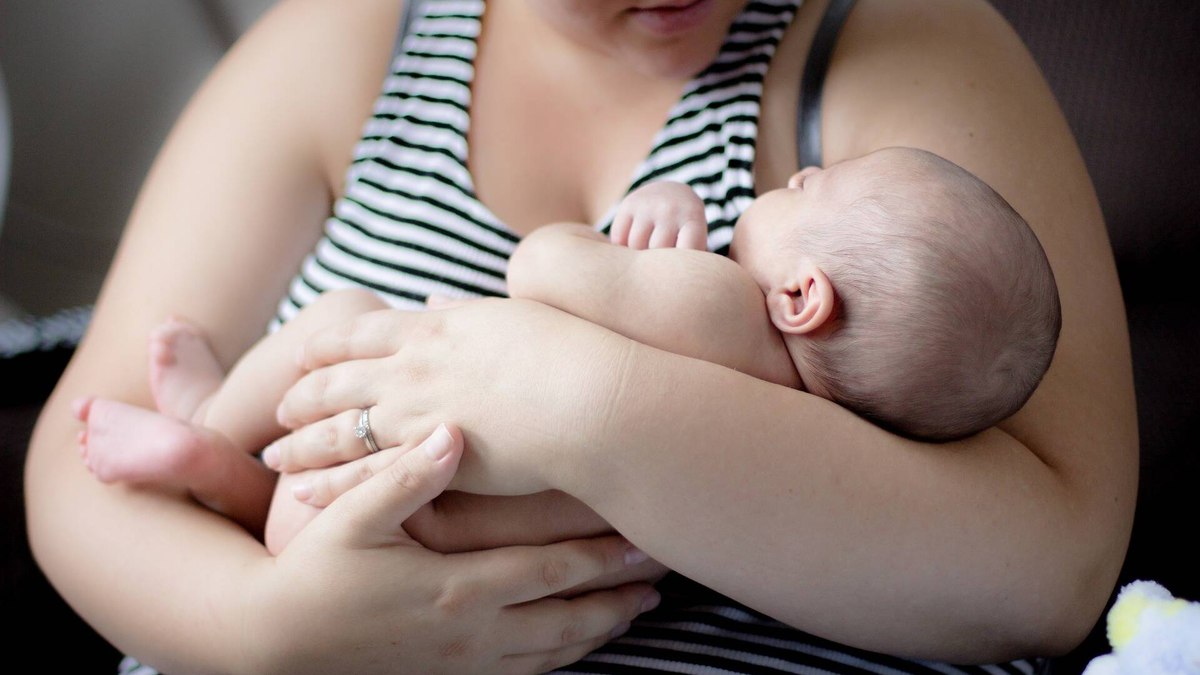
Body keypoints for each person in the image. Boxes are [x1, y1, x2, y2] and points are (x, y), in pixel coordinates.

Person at [24, 0, 1136, 673]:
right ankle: (215, 448)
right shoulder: (342, 43)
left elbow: (1056, 567)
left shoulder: (898, 54)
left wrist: (576, 403)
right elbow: (81, 478)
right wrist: (270, 634)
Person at [70, 145, 1061, 555]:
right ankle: (214, 473)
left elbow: (543, 272)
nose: (797, 173)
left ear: (803, 297)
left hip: (398, 427)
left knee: (336, 320)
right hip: (442, 528)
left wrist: (643, 217)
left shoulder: (723, 303)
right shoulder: (807, 445)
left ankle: (210, 427)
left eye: (814, 191)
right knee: (301, 509)